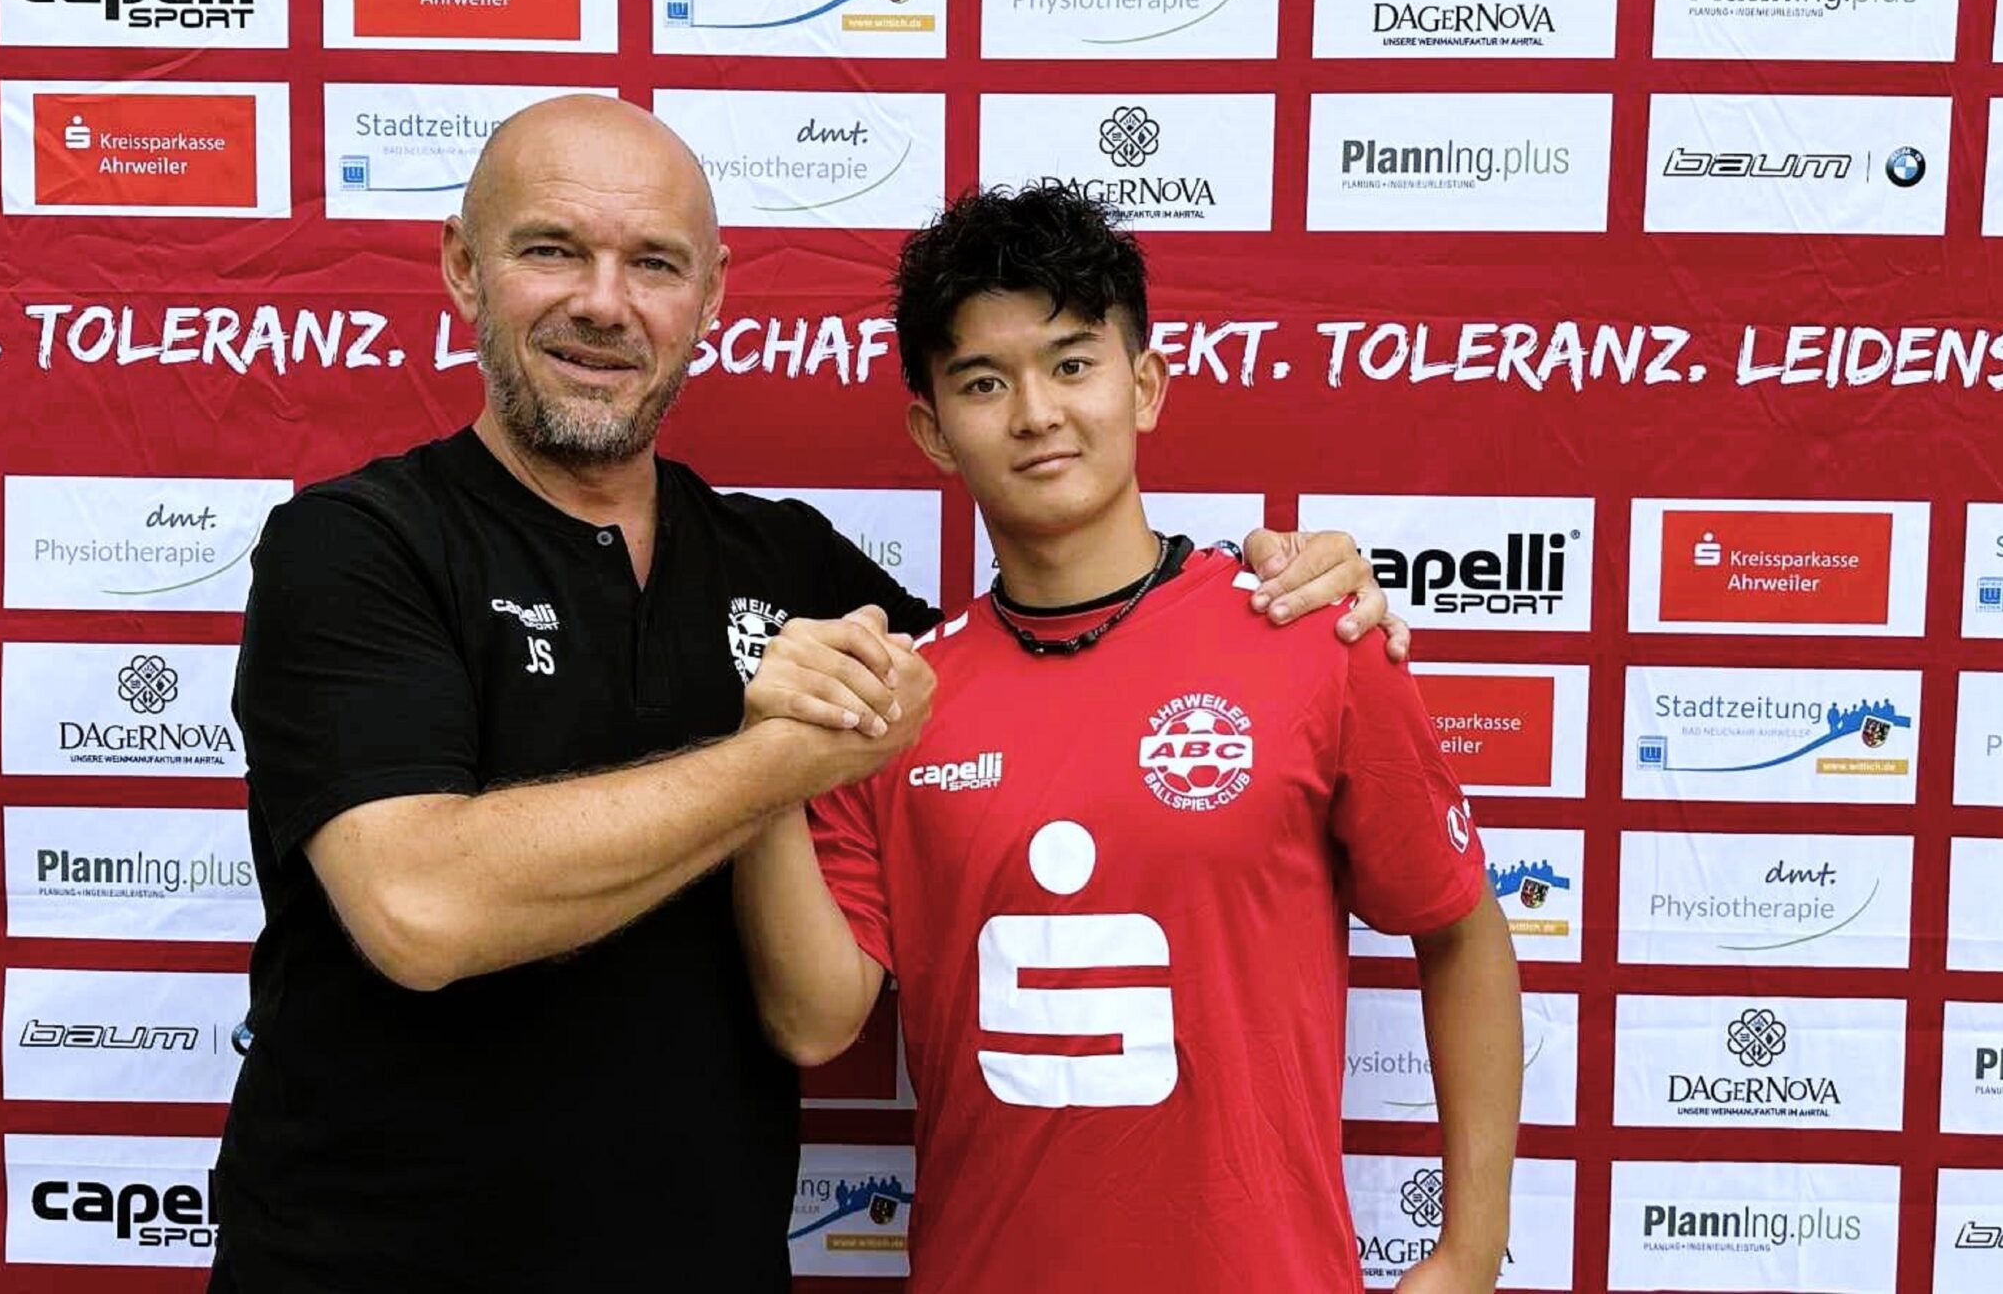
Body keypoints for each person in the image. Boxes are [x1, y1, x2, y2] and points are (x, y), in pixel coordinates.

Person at [206, 96, 1411, 1292]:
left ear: (710, 295)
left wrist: (1276, 595)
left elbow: (1042, 662)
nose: (604, 303)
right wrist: (770, 762)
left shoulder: (792, 571)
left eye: (654, 263)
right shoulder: (356, 546)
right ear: (465, 269)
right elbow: (420, 907)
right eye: (552, 250)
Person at [730, 183, 1524, 1293]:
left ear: (1143, 385)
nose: (1035, 413)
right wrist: (763, 766)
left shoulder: (1311, 636)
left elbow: (1461, 929)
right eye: (983, 381)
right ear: (933, 430)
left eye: (1071, 363)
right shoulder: (899, 701)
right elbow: (815, 1022)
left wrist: (1471, 1248)